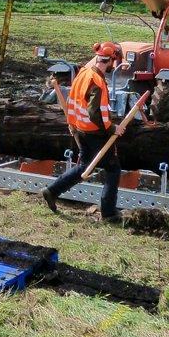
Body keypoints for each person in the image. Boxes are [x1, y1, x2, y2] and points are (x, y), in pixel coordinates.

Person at [42, 41, 126, 222]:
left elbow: (74, 101)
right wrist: (113, 128)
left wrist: (73, 125)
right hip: (95, 131)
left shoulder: (83, 73)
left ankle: (52, 191)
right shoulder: (97, 81)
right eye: (114, 61)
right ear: (110, 60)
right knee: (113, 168)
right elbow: (95, 112)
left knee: (84, 165)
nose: (115, 65)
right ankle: (109, 213)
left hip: (80, 128)